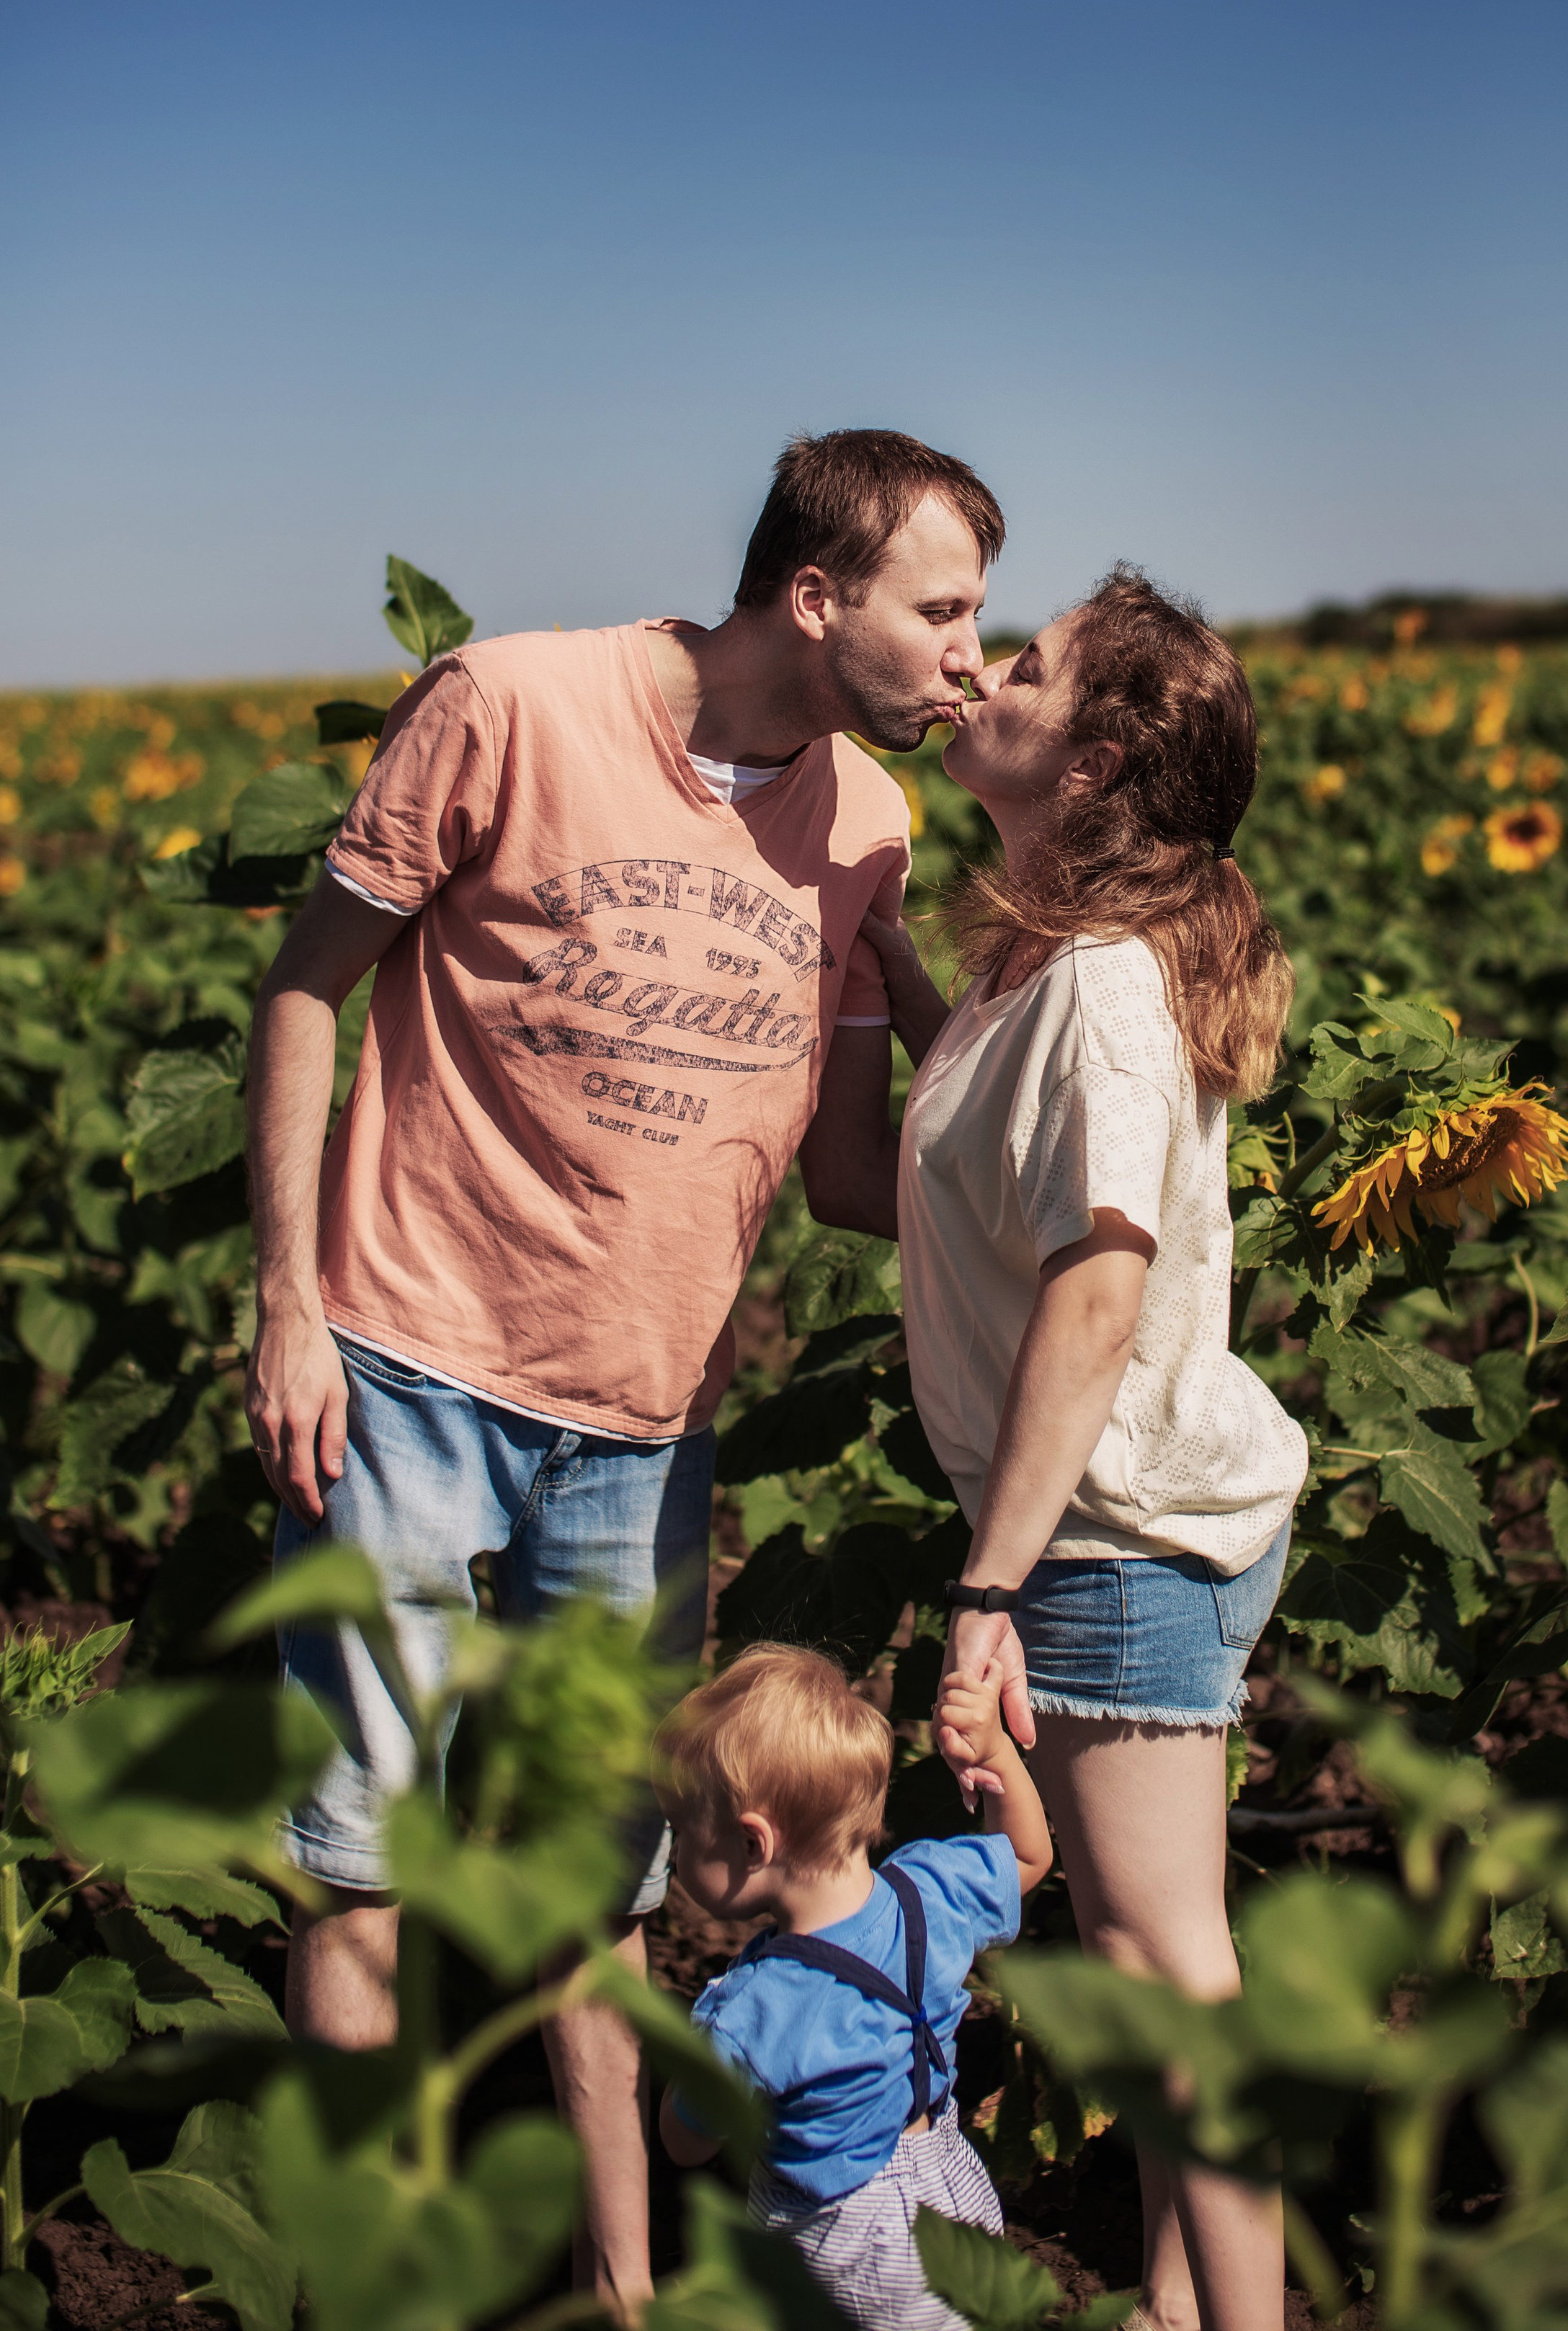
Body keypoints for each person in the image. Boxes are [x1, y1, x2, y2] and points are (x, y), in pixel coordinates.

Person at [241, 428, 1004, 2320]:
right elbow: (306, 985)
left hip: (638, 1429)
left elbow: (845, 1179)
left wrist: (1005, 1045)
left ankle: (626, 2296)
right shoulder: (509, 703)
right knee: (363, 1873)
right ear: (817, 598)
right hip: (404, 1366)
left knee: (613, 1902)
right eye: (947, 611)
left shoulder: (868, 829)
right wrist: (285, 1301)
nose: (975, 655)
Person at [823, 567, 1306, 2331]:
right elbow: (891, 1192)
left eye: (1019, 667)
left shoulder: (1099, 987)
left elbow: (1094, 1294)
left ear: (1092, 756)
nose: (978, 678)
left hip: (1110, 1540)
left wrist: (984, 1590)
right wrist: (871, 965)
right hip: (1135, 1525)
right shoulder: (1054, 977)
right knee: (1150, 1970)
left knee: (1170, 1992)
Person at [654, 1644, 1052, 2331]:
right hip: (954, 2192)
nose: (674, 1852)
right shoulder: (931, 1889)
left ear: (753, 1845)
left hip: (842, 2244)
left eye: (680, 1832)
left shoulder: (754, 2008)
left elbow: (685, 2143)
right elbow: (1028, 1855)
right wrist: (993, 1750)